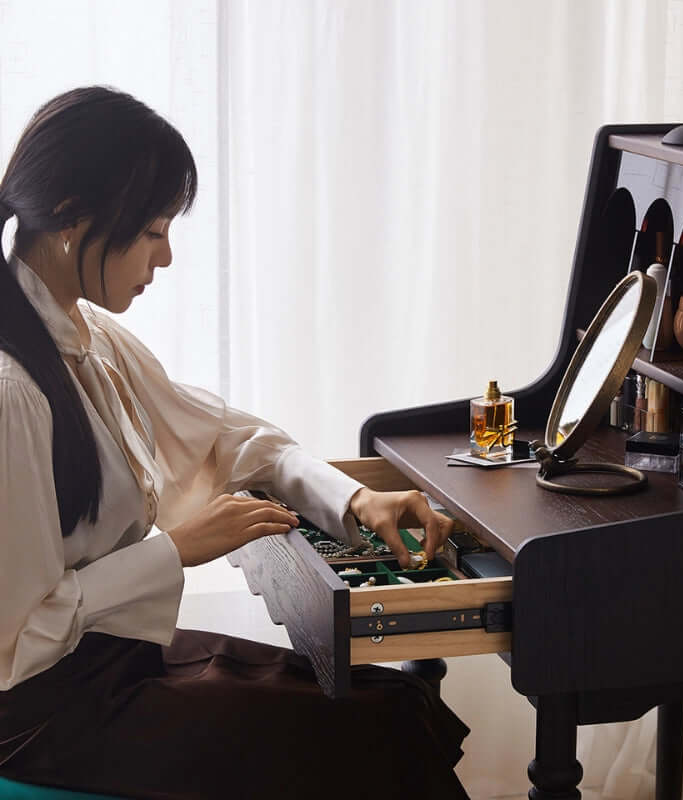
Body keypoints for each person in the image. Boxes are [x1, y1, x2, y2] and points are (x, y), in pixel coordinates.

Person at [0, 86, 470, 799]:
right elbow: (17, 644)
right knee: (381, 734)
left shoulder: (89, 340)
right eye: (153, 229)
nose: (166, 256)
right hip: (45, 715)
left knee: (400, 707)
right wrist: (177, 549)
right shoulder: (12, 392)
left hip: (117, 664)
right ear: (73, 219)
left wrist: (356, 498)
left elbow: (226, 436)